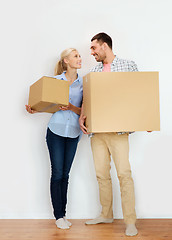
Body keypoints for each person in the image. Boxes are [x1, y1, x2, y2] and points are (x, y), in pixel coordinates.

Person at [79, 32, 140, 236]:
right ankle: (106, 213)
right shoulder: (93, 71)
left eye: (94, 48)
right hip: (98, 131)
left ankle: (130, 221)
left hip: (118, 130)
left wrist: (145, 118)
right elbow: (87, 97)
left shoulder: (128, 65)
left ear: (105, 46)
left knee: (124, 174)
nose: (92, 53)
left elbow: (139, 93)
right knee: (101, 174)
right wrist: (82, 116)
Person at [26, 48, 83, 229]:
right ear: (66, 61)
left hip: (74, 133)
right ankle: (58, 216)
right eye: (76, 56)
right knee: (57, 173)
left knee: (66, 175)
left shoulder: (84, 84)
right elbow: (46, 105)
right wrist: (34, 109)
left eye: (79, 56)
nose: (80, 59)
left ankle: (63, 214)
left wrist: (71, 107)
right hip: (56, 131)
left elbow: (85, 111)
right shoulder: (55, 82)